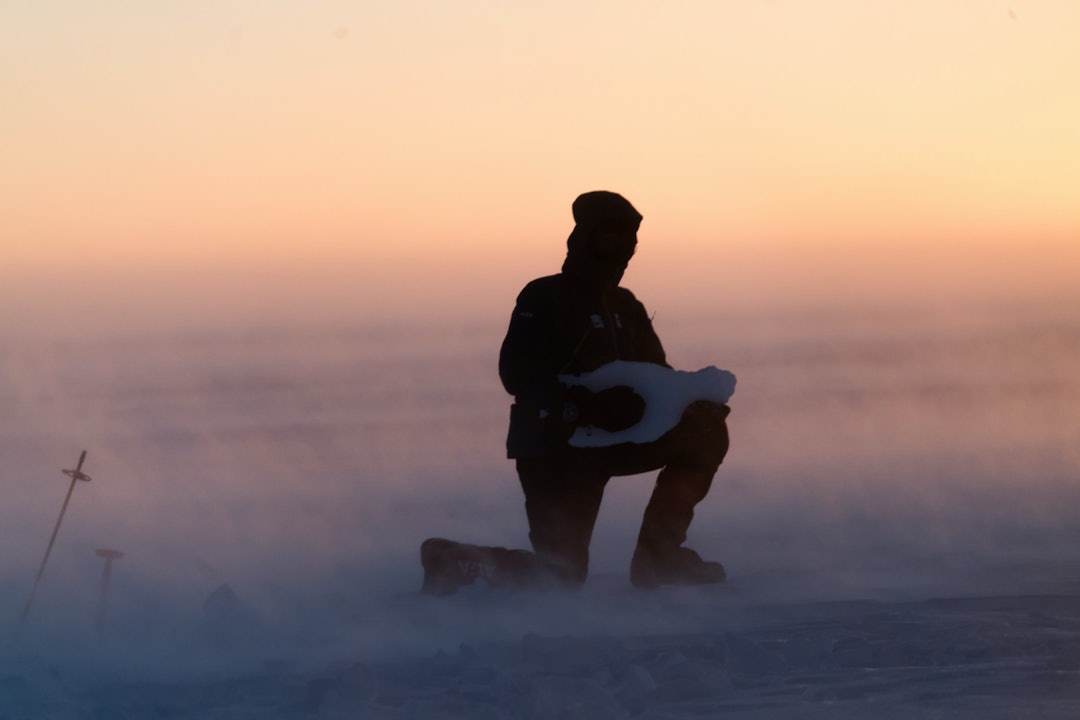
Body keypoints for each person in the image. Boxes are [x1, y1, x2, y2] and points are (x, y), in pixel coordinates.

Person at [421, 191, 731, 595]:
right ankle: (453, 559)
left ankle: (660, 559)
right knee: (559, 579)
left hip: (612, 441)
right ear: (583, 238)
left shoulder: (625, 306)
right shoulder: (544, 296)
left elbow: (658, 377)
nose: (621, 250)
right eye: (609, 238)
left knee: (705, 438)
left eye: (629, 241)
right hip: (554, 448)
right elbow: (516, 373)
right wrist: (581, 405)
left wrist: (687, 406)